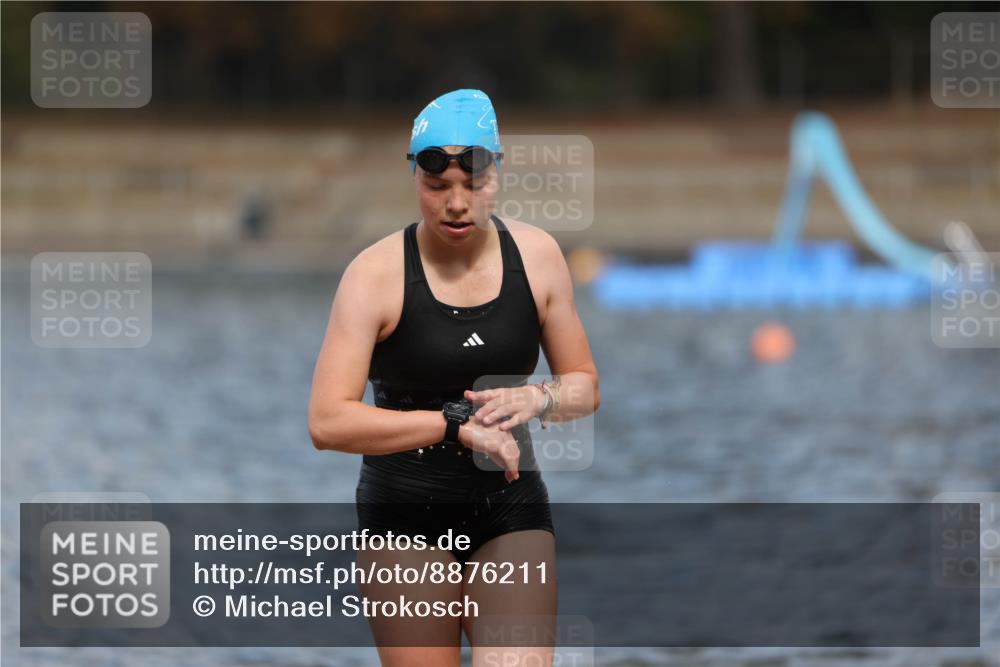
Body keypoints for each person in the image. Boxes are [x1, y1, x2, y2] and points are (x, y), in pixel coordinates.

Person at [308, 88, 600, 667]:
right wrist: (452, 425)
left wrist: (539, 397)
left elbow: (586, 385)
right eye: (437, 187)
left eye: (475, 185)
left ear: (498, 175)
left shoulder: (537, 257)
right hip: (403, 522)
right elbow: (327, 421)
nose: (457, 204)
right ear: (414, 176)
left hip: (510, 508)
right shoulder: (373, 276)